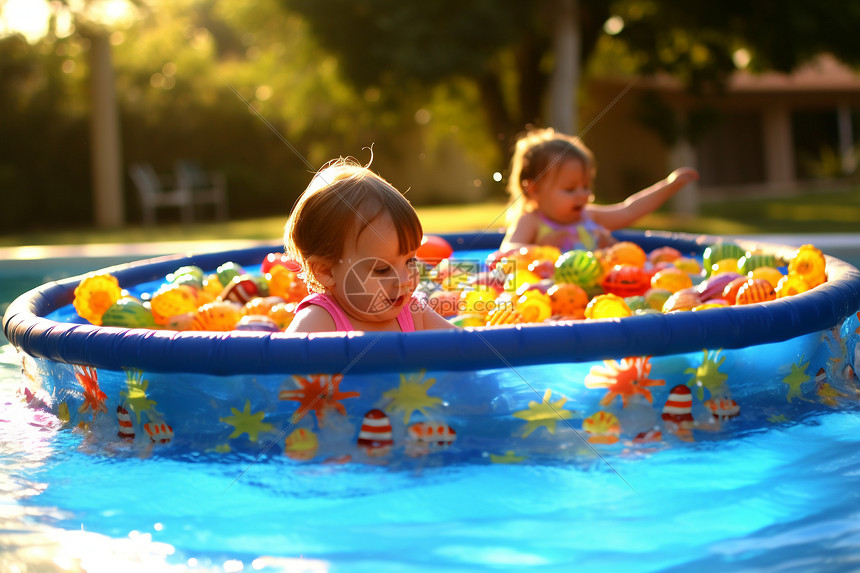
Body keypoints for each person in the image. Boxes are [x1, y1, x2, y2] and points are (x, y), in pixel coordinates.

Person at [284, 157, 455, 333]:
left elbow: (463, 347)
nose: (404, 281)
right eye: (382, 269)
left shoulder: (414, 313)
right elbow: (283, 358)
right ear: (326, 271)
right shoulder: (318, 322)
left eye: (410, 261)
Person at [500, 128, 699, 253]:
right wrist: (538, 252)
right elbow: (504, 255)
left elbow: (630, 210)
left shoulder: (590, 217)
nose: (583, 194)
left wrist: (670, 185)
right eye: (570, 189)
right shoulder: (532, 222)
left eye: (586, 186)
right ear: (534, 190)